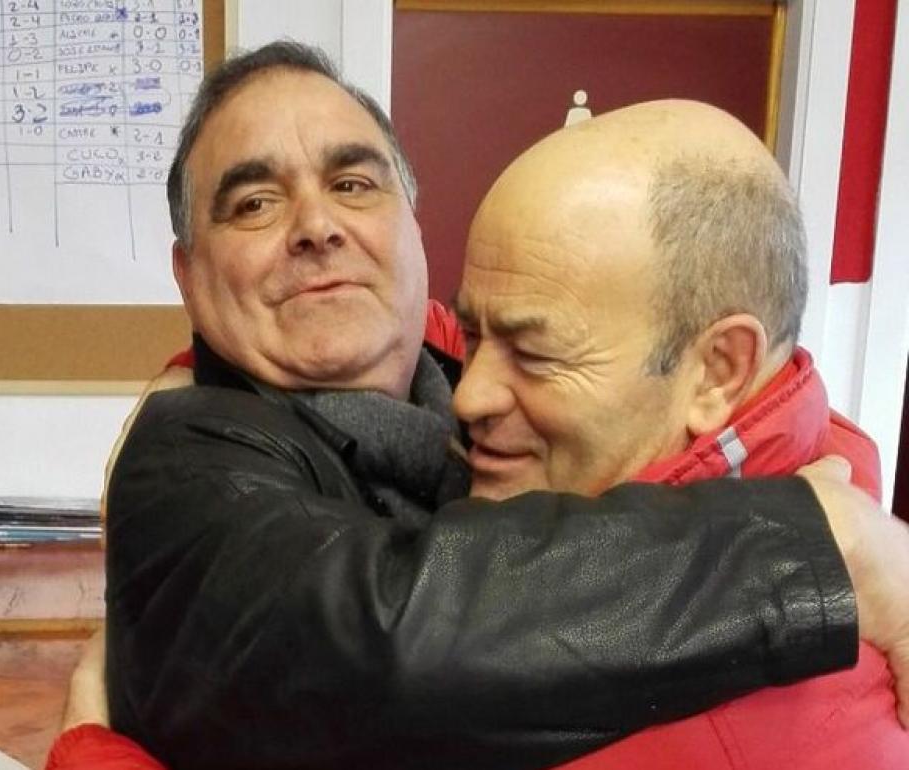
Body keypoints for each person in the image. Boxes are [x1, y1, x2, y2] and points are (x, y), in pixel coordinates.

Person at [49, 42, 909, 770]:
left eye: (354, 184)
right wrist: (822, 542)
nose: (317, 225)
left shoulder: (444, 374)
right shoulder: (193, 456)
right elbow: (380, 642)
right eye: (253, 204)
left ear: (413, 227)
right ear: (189, 276)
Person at [451, 98, 907, 768]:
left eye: (535, 354)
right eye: (472, 334)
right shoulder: (821, 447)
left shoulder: (687, 736)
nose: (467, 396)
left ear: (718, 371)